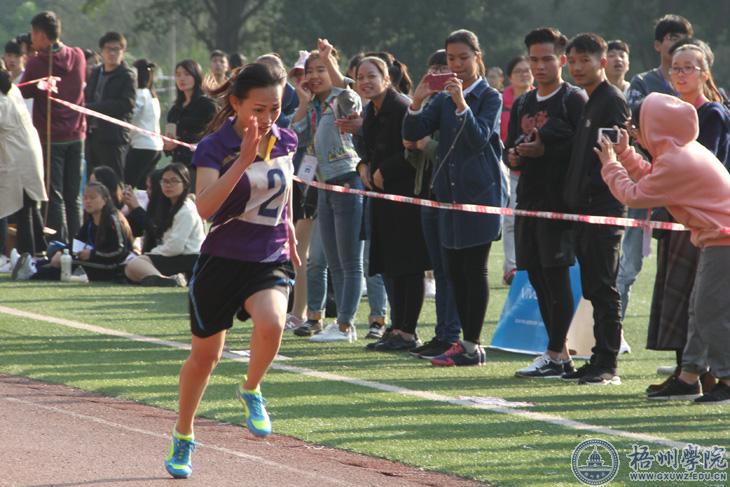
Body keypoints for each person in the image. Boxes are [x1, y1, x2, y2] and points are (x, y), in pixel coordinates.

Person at [164, 62, 299, 479]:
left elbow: (283, 190)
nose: (268, 117)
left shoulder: (287, 139)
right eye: (259, 109)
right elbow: (205, 207)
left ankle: (251, 387)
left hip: (269, 256)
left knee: (273, 322)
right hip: (221, 260)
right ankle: (184, 433)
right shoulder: (213, 147)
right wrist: (242, 161)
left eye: (275, 108)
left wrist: (290, 228)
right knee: (206, 357)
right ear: (237, 104)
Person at [597, 92, 730, 404]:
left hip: (723, 240)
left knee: (711, 313)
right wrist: (625, 154)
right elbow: (651, 178)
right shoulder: (681, 152)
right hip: (718, 238)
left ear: (655, 126)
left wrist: (610, 164)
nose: (634, 131)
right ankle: (689, 378)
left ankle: (726, 378)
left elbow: (633, 195)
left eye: (638, 125)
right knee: (699, 310)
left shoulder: (675, 161)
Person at [403, 29, 506, 367]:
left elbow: (478, 139)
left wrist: (462, 104)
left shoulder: (489, 97)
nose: (457, 64)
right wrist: (416, 102)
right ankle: (460, 342)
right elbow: (412, 133)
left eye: (464, 57)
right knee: (453, 271)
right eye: (451, 58)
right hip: (447, 196)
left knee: (474, 270)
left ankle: (472, 345)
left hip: (479, 196)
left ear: (478, 57)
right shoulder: (443, 99)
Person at [644, 40, 730, 394]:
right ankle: (689, 374)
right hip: (687, 220)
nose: (679, 74)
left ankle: (718, 376)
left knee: (708, 304)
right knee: (693, 302)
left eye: (688, 68)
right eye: (674, 68)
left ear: (704, 73)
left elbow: (693, 170)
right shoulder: (671, 113)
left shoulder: (711, 114)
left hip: (709, 221)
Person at [505, 28, 587, 378]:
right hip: (528, 199)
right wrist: (514, 156)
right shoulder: (523, 102)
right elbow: (509, 146)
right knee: (536, 276)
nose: (539, 66)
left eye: (547, 59)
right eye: (534, 59)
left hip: (559, 202)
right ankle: (559, 353)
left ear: (562, 60)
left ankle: (555, 353)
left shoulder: (573, 99)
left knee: (555, 276)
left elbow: (582, 151)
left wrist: (545, 150)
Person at [561, 33, 630, 385]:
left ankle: (608, 363)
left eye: (584, 61)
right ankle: (597, 357)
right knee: (593, 287)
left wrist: (589, 197)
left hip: (603, 210)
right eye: (572, 61)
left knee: (604, 288)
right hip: (584, 210)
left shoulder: (611, 101)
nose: (577, 68)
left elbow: (611, 159)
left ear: (601, 62)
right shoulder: (590, 100)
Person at [618, 15, 693, 320]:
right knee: (629, 264)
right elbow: (634, 128)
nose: (677, 44)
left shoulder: (695, 86)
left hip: (686, 188)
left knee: (682, 270)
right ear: (658, 45)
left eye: (681, 37)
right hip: (646, 178)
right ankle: (613, 332)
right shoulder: (642, 84)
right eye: (671, 37)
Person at [356, 56, 430, 352]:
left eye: (371, 76)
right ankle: (397, 327)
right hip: (381, 197)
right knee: (391, 264)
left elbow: (413, 150)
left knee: (409, 264)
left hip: (405, 195)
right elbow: (367, 148)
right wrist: (363, 166)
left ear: (387, 79)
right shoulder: (370, 110)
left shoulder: (401, 106)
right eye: (360, 77)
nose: (365, 82)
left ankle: (408, 331)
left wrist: (384, 171)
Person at [291, 47, 364, 343]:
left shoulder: (340, 99)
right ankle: (334, 322)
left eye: (320, 70)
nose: (313, 76)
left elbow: (350, 95)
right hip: (322, 186)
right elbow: (292, 136)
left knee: (350, 261)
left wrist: (331, 62)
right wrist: (302, 101)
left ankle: (345, 325)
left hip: (346, 182)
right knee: (331, 260)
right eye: (309, 71)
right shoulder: (314, 106)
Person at [402, 49, 462, 359]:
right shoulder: (431, 103)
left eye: (445, 67)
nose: (439, 74)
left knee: (452, 270)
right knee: (438, 270)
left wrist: (428, 145)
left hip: (452, 198)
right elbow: (412, 144)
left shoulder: (461, 102)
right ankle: (442, 334)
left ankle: (452, 335)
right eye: (435, 68)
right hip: (427, 192)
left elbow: (461, 149)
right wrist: (416, 103)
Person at [19, 11, 86, 243]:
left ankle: (58, 245)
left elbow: (22, 91)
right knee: (73, 196)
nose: (31, 38)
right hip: (77, 134)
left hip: (51, 137)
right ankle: (76, 244)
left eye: (33, 33)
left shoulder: (38, 63)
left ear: (41, 34)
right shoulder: (78, 56)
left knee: (54, 195)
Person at [125, 163, 204, 286]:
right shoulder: (170, 206)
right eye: (165, 181)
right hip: (175, 255)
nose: (168, 185)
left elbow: (175, 247)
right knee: (131, 270)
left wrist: (151, 254)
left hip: (188, 258)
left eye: (174, 181)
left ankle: (164, 279)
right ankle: (166, 279)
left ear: (185, 184)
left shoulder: (186, 210)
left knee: (135, 264)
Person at [0, 60, 48, 263]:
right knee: (30, 204)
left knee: (20, 207)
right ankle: (39, 252)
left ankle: (25, 256)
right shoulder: (13, 91)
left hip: (16, 155)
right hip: (29, 149)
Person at [37, 182, 132, 282]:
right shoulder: (90, 221)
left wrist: (92, 254)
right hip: (95, 262)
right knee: (54, 260)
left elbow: (120, 251)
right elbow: (77, 243)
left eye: (92, 198)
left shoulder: (113, 220)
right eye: (85, 198)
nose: (88, 201)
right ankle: (34, 266)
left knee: (64, 266)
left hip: (111, 267)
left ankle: (33, 271)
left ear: (104, 200)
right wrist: (61, 252)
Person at [500, 55, 534, 285]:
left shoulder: (539, 98)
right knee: (511, 218)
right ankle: (511, 267)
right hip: (508, 167)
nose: (524, 74)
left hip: (533, 168)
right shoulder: (501, 100)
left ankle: (528, 265)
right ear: (510, 77)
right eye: (518, 71)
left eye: (526, 70)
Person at [84, 31, 136, 178]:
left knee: (113, 180)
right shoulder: (96, 73)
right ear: (102, 51)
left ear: (123, 52)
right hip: (92, 135)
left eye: (116, 49)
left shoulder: (127, 76)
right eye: (108, 49)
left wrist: (92, 108)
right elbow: (87, 96)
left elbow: (126, 104)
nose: (112, 53)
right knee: (93, 180)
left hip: (113, 138)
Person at [164, 59, 218, 182]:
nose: (182, 78)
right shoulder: (174, 109)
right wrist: (167, 145)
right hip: (178, 166)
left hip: (201, 164)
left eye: (187, 74)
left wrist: (182, 141)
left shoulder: (207, 105)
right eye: (178, 75)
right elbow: (171, 138)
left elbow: (216, 134)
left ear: (196, 76)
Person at [124, 59, 163, 190]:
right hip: (156, 147)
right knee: (144, 186)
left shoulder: (141, 94)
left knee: (128, 183)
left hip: (141, 146)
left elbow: (132, 114)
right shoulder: (153, 96)